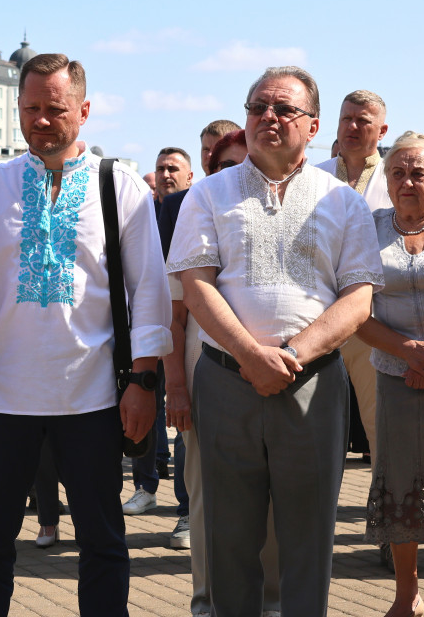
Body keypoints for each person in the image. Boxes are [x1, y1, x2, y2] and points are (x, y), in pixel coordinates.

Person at [0, 52, 171, 616]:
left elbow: (149, 291)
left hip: (93, 398)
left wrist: (143, 382)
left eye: (55, 108)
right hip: (2, 399)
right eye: (30, 109)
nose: (41, 120)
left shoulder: (120, 186)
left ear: (84, 110)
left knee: (103, 543)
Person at [168, 66, 382, 616]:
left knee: (308, 539)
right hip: (225, 381)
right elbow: (196, 286)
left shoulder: (343, 202)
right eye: (258, 106)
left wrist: (289, 356)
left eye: (285, 109)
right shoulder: (207, 194)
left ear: (313, 125)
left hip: (313, 384)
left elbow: (359, 299)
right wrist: (249, 355)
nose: (269, 116)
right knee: (228, 539)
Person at [162, 128, 283, 616]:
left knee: (270, 500)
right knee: (208, 499)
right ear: (210, 173)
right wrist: (176, 388)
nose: (239, 173)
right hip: (204, 375)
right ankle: (207, 602)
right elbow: (173, 317)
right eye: (227, 166)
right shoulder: (195, 217)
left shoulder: (278, 219)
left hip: (272, 378)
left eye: (247, 164)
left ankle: (269, 602)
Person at [359, 131, 424, 617]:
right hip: (393, 373)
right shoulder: (368, 229)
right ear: (386, 179)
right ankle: (407, 594)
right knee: (398, 483)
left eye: (418, 172)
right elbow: (354, 309)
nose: (407, 181)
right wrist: (406, 352)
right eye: (397, 172)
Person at [317, 90, 391, 464]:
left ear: (382, 130)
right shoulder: (313, 175)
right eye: (347, 118)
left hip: (374, 320)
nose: (353, 126)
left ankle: (386, 499)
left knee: (381, 429)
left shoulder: (396, 176)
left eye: (363, 120)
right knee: (314, 428)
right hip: (316, 319)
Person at [123, 146, 195, 518]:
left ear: (190, 176)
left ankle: (185, 506)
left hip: (186, 327)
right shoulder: (143, 213)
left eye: (173, 168)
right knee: (146, 406)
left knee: (182, 416)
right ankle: (145, 487)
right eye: (160, 168)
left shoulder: (194, 208)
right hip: (149, 328)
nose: (166, 174)